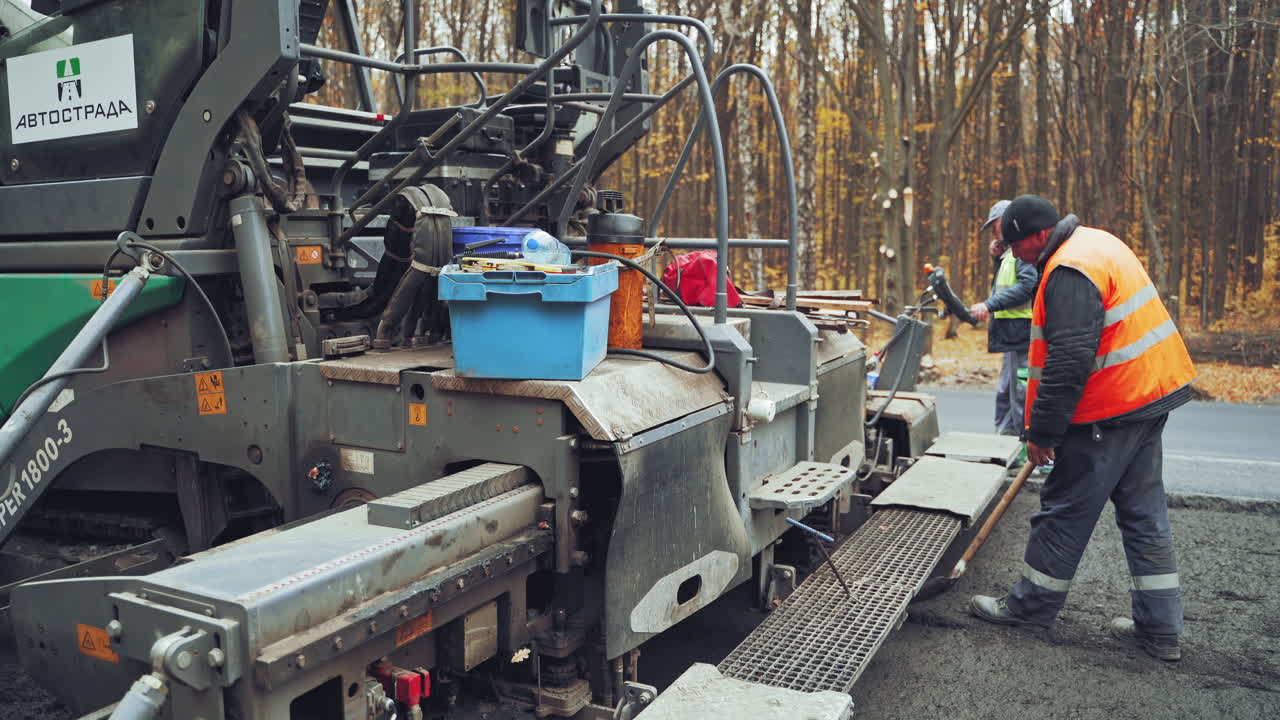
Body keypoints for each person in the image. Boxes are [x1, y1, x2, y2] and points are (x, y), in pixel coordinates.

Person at [968, 195, 1197, 662]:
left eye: (1015, 246)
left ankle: (1030, 607)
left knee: (1064, 510)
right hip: (1147, 399)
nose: (1014, 255)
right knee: (1143, 513)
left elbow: (1068, 363)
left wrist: (1042, 434)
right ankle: (1160, 630)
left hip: (1109, 409)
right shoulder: (1095, 243)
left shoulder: (1068, 271)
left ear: (1036, 236)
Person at [967, 200, 1039, 436]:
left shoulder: (1023, 252)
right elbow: (1004, 284)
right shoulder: (1009, 253)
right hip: (1011, 333)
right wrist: (996, 259)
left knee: (1021, 392)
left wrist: (988, 306)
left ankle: (1023, 446)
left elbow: (1027, 285)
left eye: (996, 225)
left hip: (1023, 332)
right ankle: (1004, 438)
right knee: (1006, 390)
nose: (994, 232)